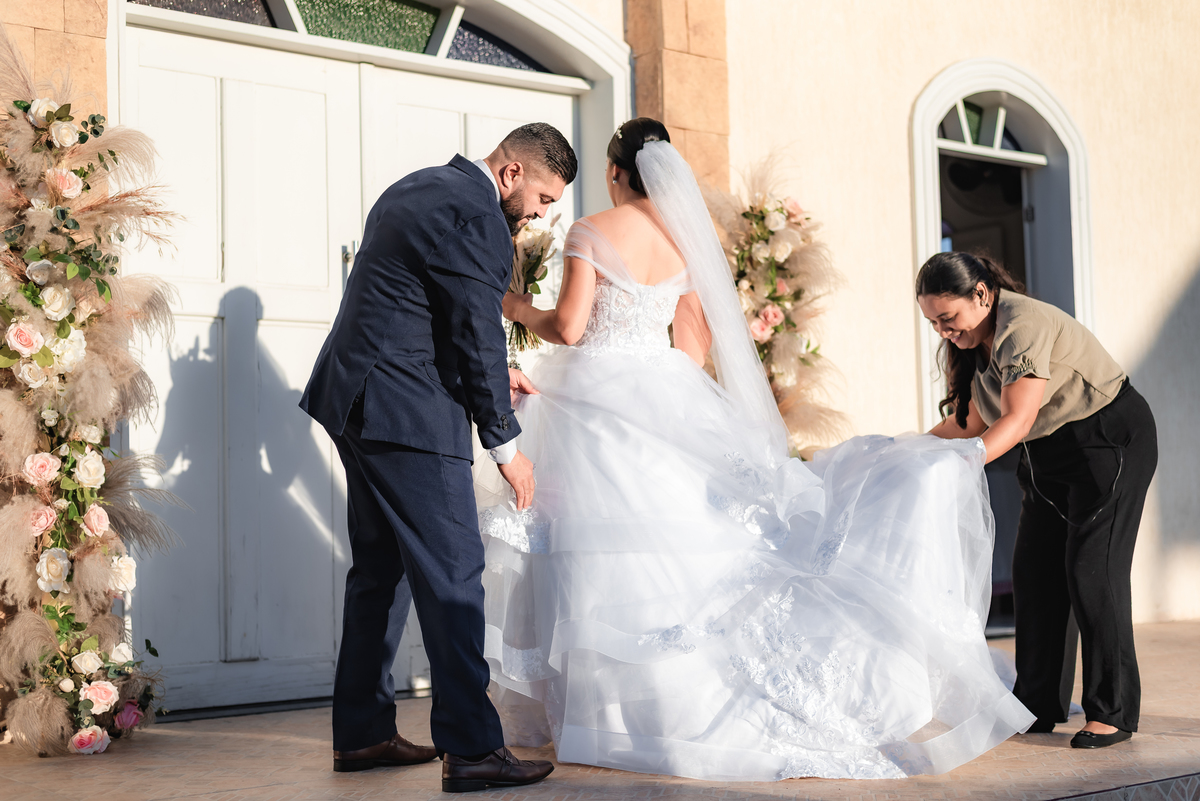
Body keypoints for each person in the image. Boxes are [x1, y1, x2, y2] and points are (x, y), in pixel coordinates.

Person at [474, 118, 1034, 782]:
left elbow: (568, 326)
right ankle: (652, 702)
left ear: (616, 173)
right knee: (673, 553)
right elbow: (691, 344)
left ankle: (599, 713)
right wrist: (666, 394)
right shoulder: (689, 240)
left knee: (587, 550)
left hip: (596, 393)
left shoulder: (593, 229)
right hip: (663, 389)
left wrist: (513, 304)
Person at [300, 123, 577, 792]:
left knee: (380, 569)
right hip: (405, 413)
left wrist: (498, 366)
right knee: (455, 572)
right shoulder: (474, 212)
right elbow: (477, 333)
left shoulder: (421, 185)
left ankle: (362, 733)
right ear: (511, 172)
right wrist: (507, 446)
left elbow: (431, 308)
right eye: (542, 197)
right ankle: (474, 747)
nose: (541, 214)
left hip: (357, 398)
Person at [918, 252, 1157, 749]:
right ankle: (1036, 705)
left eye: (948, 318)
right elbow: (968, 423)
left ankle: (1112, 712)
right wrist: (906, 453)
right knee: (1035, 574)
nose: (943, 330)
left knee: (1092, 570)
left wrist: (963, 463)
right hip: (1046, 458)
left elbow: (1018, 418)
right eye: (933, 322)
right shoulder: (973, 345)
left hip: (1105, 440)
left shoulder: (1022, 324)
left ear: (981, 294)